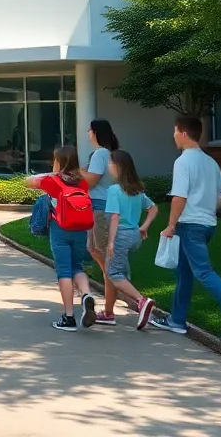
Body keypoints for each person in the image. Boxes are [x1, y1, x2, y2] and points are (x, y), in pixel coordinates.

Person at [151, 115, 221, 341]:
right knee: (184, 272)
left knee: (202, 271)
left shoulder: (183, 161)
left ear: (184, 133)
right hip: (207, 225)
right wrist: (208, 209)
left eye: (175, 131)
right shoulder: (210, 161)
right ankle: (176, 321)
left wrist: (170, 225)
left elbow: (179, 196)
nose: (173, 136)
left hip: (190, 226)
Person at [27, 146, 97, 331]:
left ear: (58, 162)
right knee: (77, 267)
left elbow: (28, 181)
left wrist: (53, 173)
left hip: (60, 229)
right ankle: (87, 295)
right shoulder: (82, 183)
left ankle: (68, 317)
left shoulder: (52, 182)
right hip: (81, 229)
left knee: (64, 271)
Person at [103, 149, 158, 329]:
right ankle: (108, 313)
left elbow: (114, 218)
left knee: (113, 273)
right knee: (117, 272)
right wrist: (144, 226)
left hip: (120, 236)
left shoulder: (114, 190)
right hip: (134, 237)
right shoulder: (137, 190)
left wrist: (111, 241)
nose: (108, 167)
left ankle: (142, 301)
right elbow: (154, 209)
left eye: (110, 164)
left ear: (118, 167)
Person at [81, 119, 119, 324]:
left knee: (106, 262)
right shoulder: (108, 153)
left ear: (95, 132)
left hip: (99, 208)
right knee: (97, 253)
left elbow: (90, 181)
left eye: (89, 130)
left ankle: (137, 300)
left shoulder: (100, 154)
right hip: (102, 207)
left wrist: (74, 171)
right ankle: (109, 310)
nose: (87, 133)